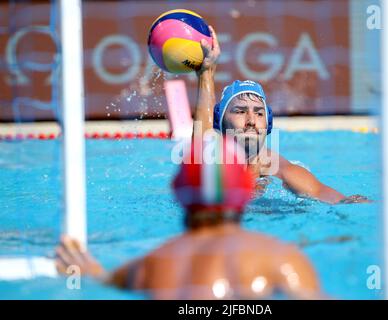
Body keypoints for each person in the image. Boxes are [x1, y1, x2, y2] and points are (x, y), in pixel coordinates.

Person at [55, 136, 322, 299]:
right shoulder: (280, 259)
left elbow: (100, 284)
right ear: (247, 193)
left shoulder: (146, 268)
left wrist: (92, 273)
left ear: (177, 193)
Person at [194, 26, 369, 204]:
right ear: (220, 122)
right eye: (240, 111)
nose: (251, 121)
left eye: (259, 113)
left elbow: (329, 196)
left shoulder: (282, 171)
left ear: (268, 123)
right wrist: (206, 73)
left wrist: (349, 202)